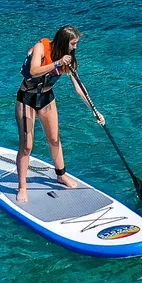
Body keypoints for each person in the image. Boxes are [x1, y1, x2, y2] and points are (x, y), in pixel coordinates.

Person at [14, 25, 101, 203]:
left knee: (54, 138)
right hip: (27, 99)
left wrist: (94, 110)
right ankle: (22, 186)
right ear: (63, 42)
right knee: (27, 145)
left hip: (47, 98)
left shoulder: (69, 60)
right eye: (73, 43)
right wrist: (56, 63)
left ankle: (61, 175)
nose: (75, 47)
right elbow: (33, 71)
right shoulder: (41, 48)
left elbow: (79, 87)